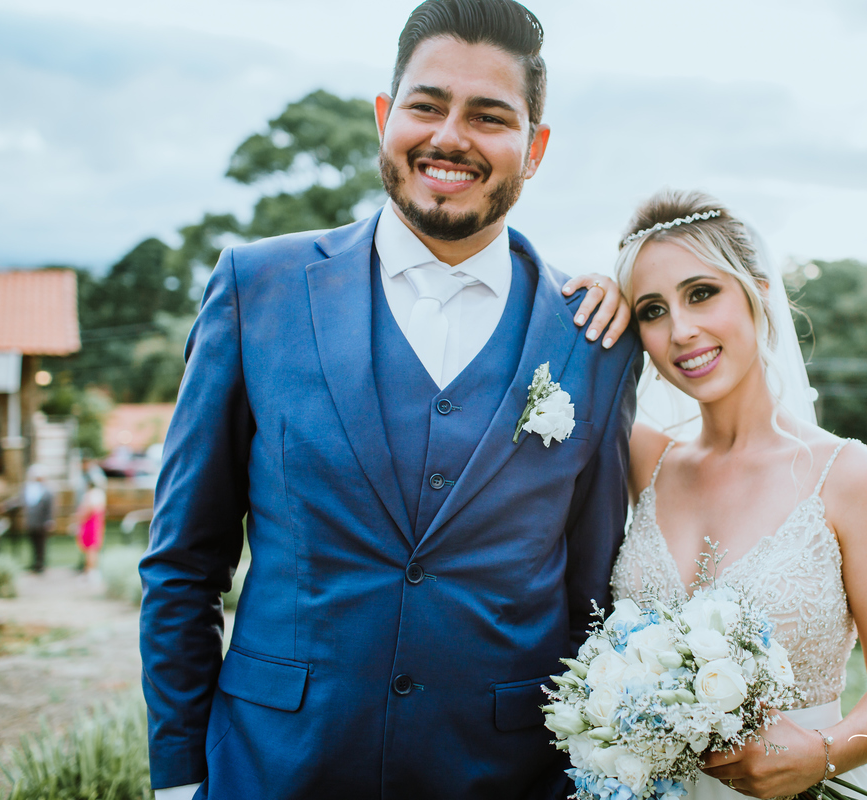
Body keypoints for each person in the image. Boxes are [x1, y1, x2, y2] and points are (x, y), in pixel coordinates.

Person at [138, 2, 639, 799]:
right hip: (271, 767)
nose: (450, 136)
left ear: (534, 148)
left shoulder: (594, 341)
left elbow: (592, 592)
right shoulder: (256, 288)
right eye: (426, 105)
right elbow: (183, 564)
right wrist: (177, 779)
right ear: (385, 116)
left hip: (505, 778)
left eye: (489, 116)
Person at [595, 189, 867, 799]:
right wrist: (586, 295)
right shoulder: (643, 459)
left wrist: (823, 754)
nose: (681, 331)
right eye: (651, 310)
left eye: (701, 293)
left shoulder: (849, 476)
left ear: (759, 290)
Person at [4, 463, 55, 573]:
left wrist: (50, 520)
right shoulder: (27, 488)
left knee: (42, 544)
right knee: (32, 543)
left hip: (42, 522)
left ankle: (41, 564)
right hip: (31, 522)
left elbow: (50, 507)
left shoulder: (48, 490)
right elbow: (19, 501)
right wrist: (6, 506)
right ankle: (35, 563)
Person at [74, 471, 107, 581]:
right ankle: (90, 570)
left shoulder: (91, 495)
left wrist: (79, 519)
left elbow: (88, 510)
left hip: (90, 523)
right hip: (96, 523)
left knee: (90, 548)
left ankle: (90, 571)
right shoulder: (100, 494)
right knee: (92, 548)